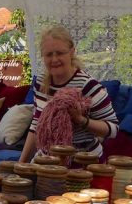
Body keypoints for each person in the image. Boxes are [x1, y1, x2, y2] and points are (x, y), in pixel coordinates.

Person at [19, 25, 118, 162]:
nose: (54, 60)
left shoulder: (88, 86)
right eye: (49, 54)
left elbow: (113, 129)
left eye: (60, 53)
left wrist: (81, 120)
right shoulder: (40, 83)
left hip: (83, 164)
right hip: (48, 163)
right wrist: (21, 165)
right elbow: (37, 125)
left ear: (72, 52)